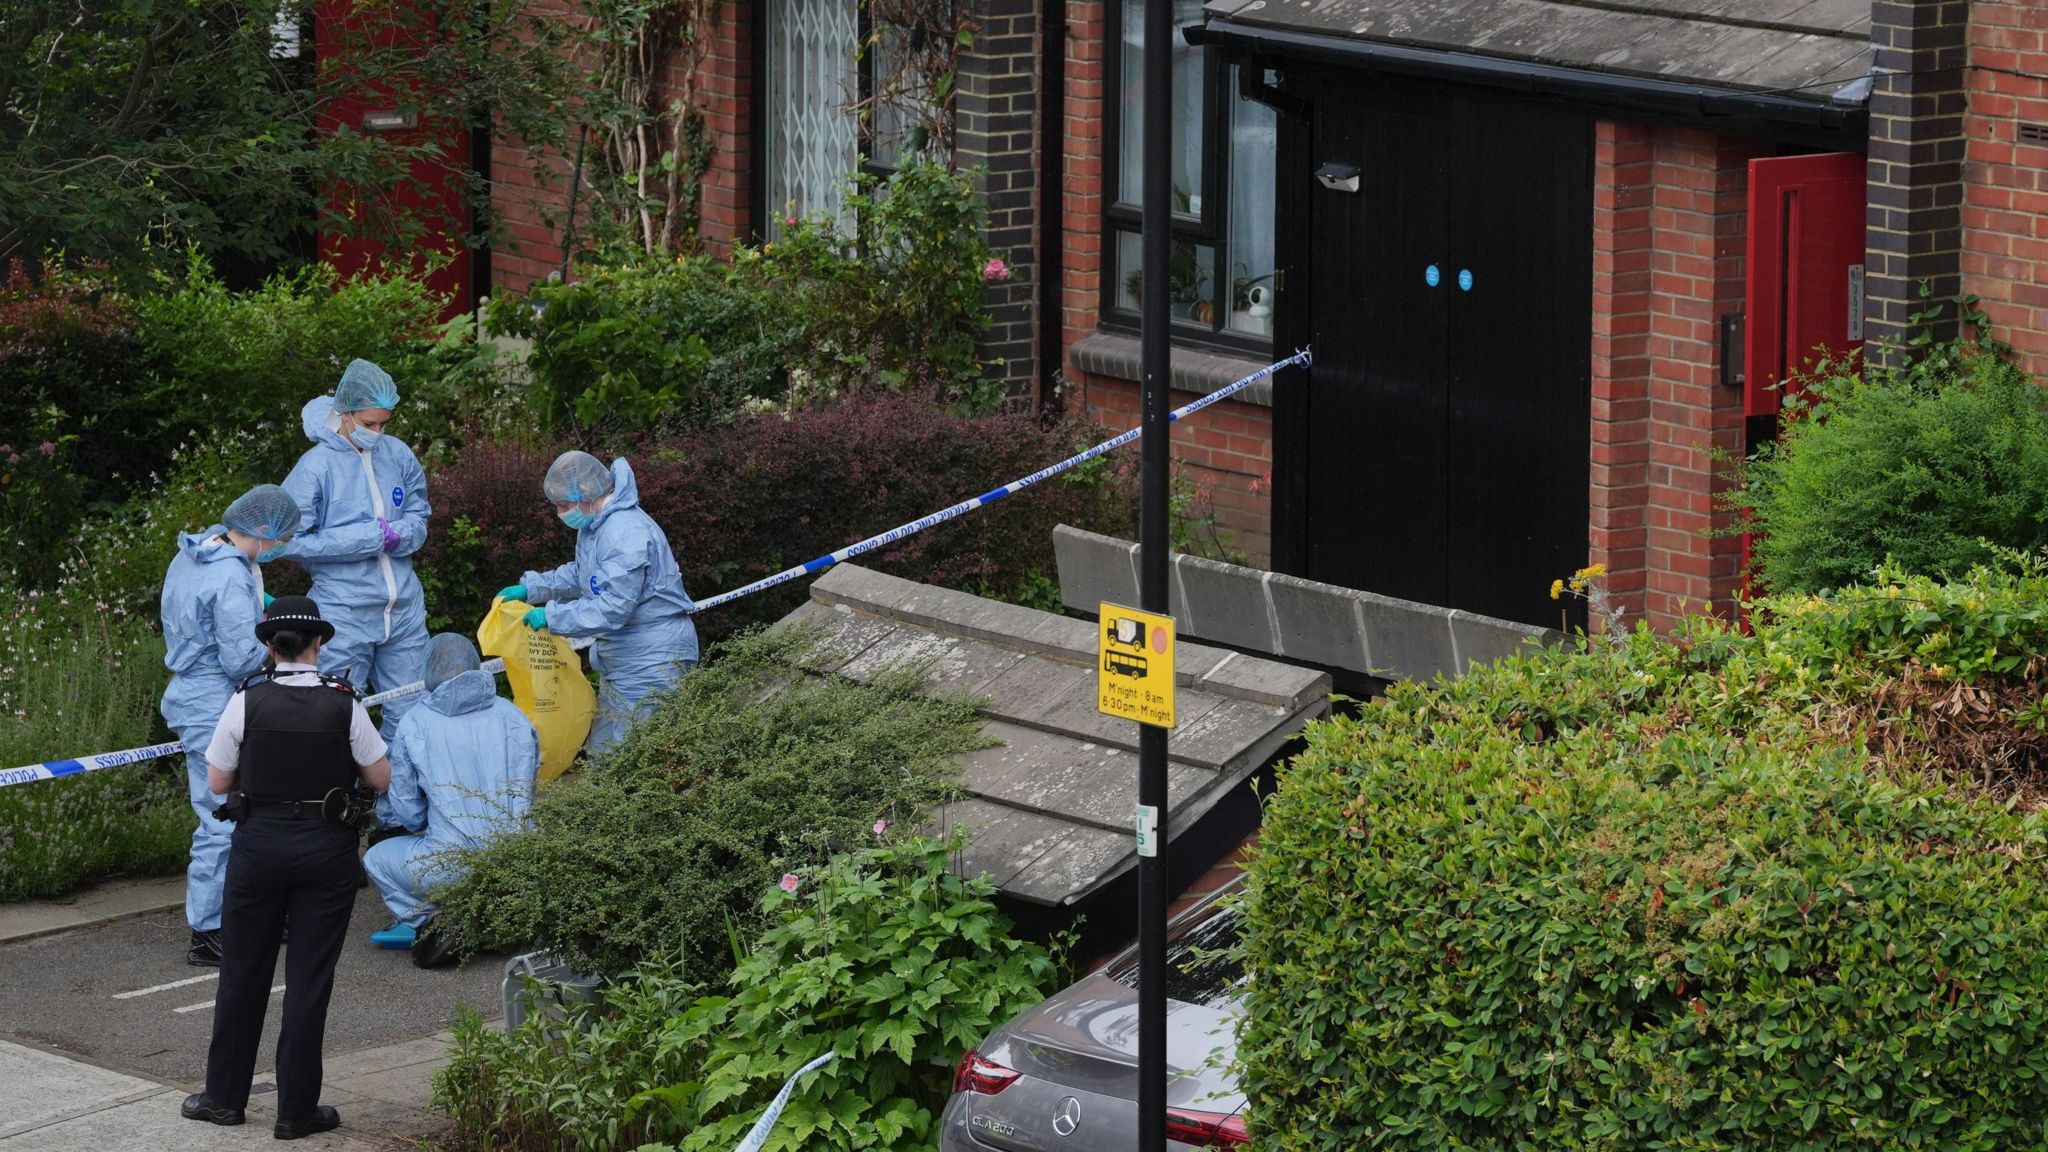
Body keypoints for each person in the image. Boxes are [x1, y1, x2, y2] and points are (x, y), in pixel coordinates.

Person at [181, 596, 391, 1139]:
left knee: (243, 973)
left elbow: (220, 784)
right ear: (319, 644)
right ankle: (296, 1111)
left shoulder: (244, 702)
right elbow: (380, 777)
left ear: (270, 647)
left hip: (259, 847)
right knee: (308, 981)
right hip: (326, 848)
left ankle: (224, 1099)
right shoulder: (345, 702)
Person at [160, 483, 302, 967]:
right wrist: (280, 643)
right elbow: (241, 657)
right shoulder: (230, 578)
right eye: (283, 538)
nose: (283, 546)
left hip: (199, 696)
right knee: (221, 816)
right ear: (266, 532)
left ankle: (244, 914)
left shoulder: (198, 552)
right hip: (212, 702)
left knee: (246, 808)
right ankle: (209, 930)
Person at [498, 451, 697, 754]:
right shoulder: (595, 527)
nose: (559, 513)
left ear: (585, 494)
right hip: (626, 660)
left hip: (652, 661)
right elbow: (583, 573)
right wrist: (533, 588)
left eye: (563, 505)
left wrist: (553, 618)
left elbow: (613, 607)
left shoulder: (625, 533)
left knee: (642, 759)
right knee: (610, 756)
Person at [363, 633, 539, 966]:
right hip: (518, 857)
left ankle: (435, 922)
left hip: (449, 864)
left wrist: (431, 822)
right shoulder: (513, 715)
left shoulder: (415, 721)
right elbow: (528, 786)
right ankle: (508, 915)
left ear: (427, 670)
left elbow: (406, 809)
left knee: (376, 858)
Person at [280, 359, 431, 739]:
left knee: (413, 715)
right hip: (343, 613)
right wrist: (368, 537)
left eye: (384, 424)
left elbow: (419, 514)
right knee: (336, 717)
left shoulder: (397, 455)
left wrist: (403, 535)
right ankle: (342, 798)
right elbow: (288, 539)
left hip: (404, 610)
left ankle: (397, 800)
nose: (377, 433)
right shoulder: (315, 466)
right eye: (368, 424)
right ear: (344, 414)